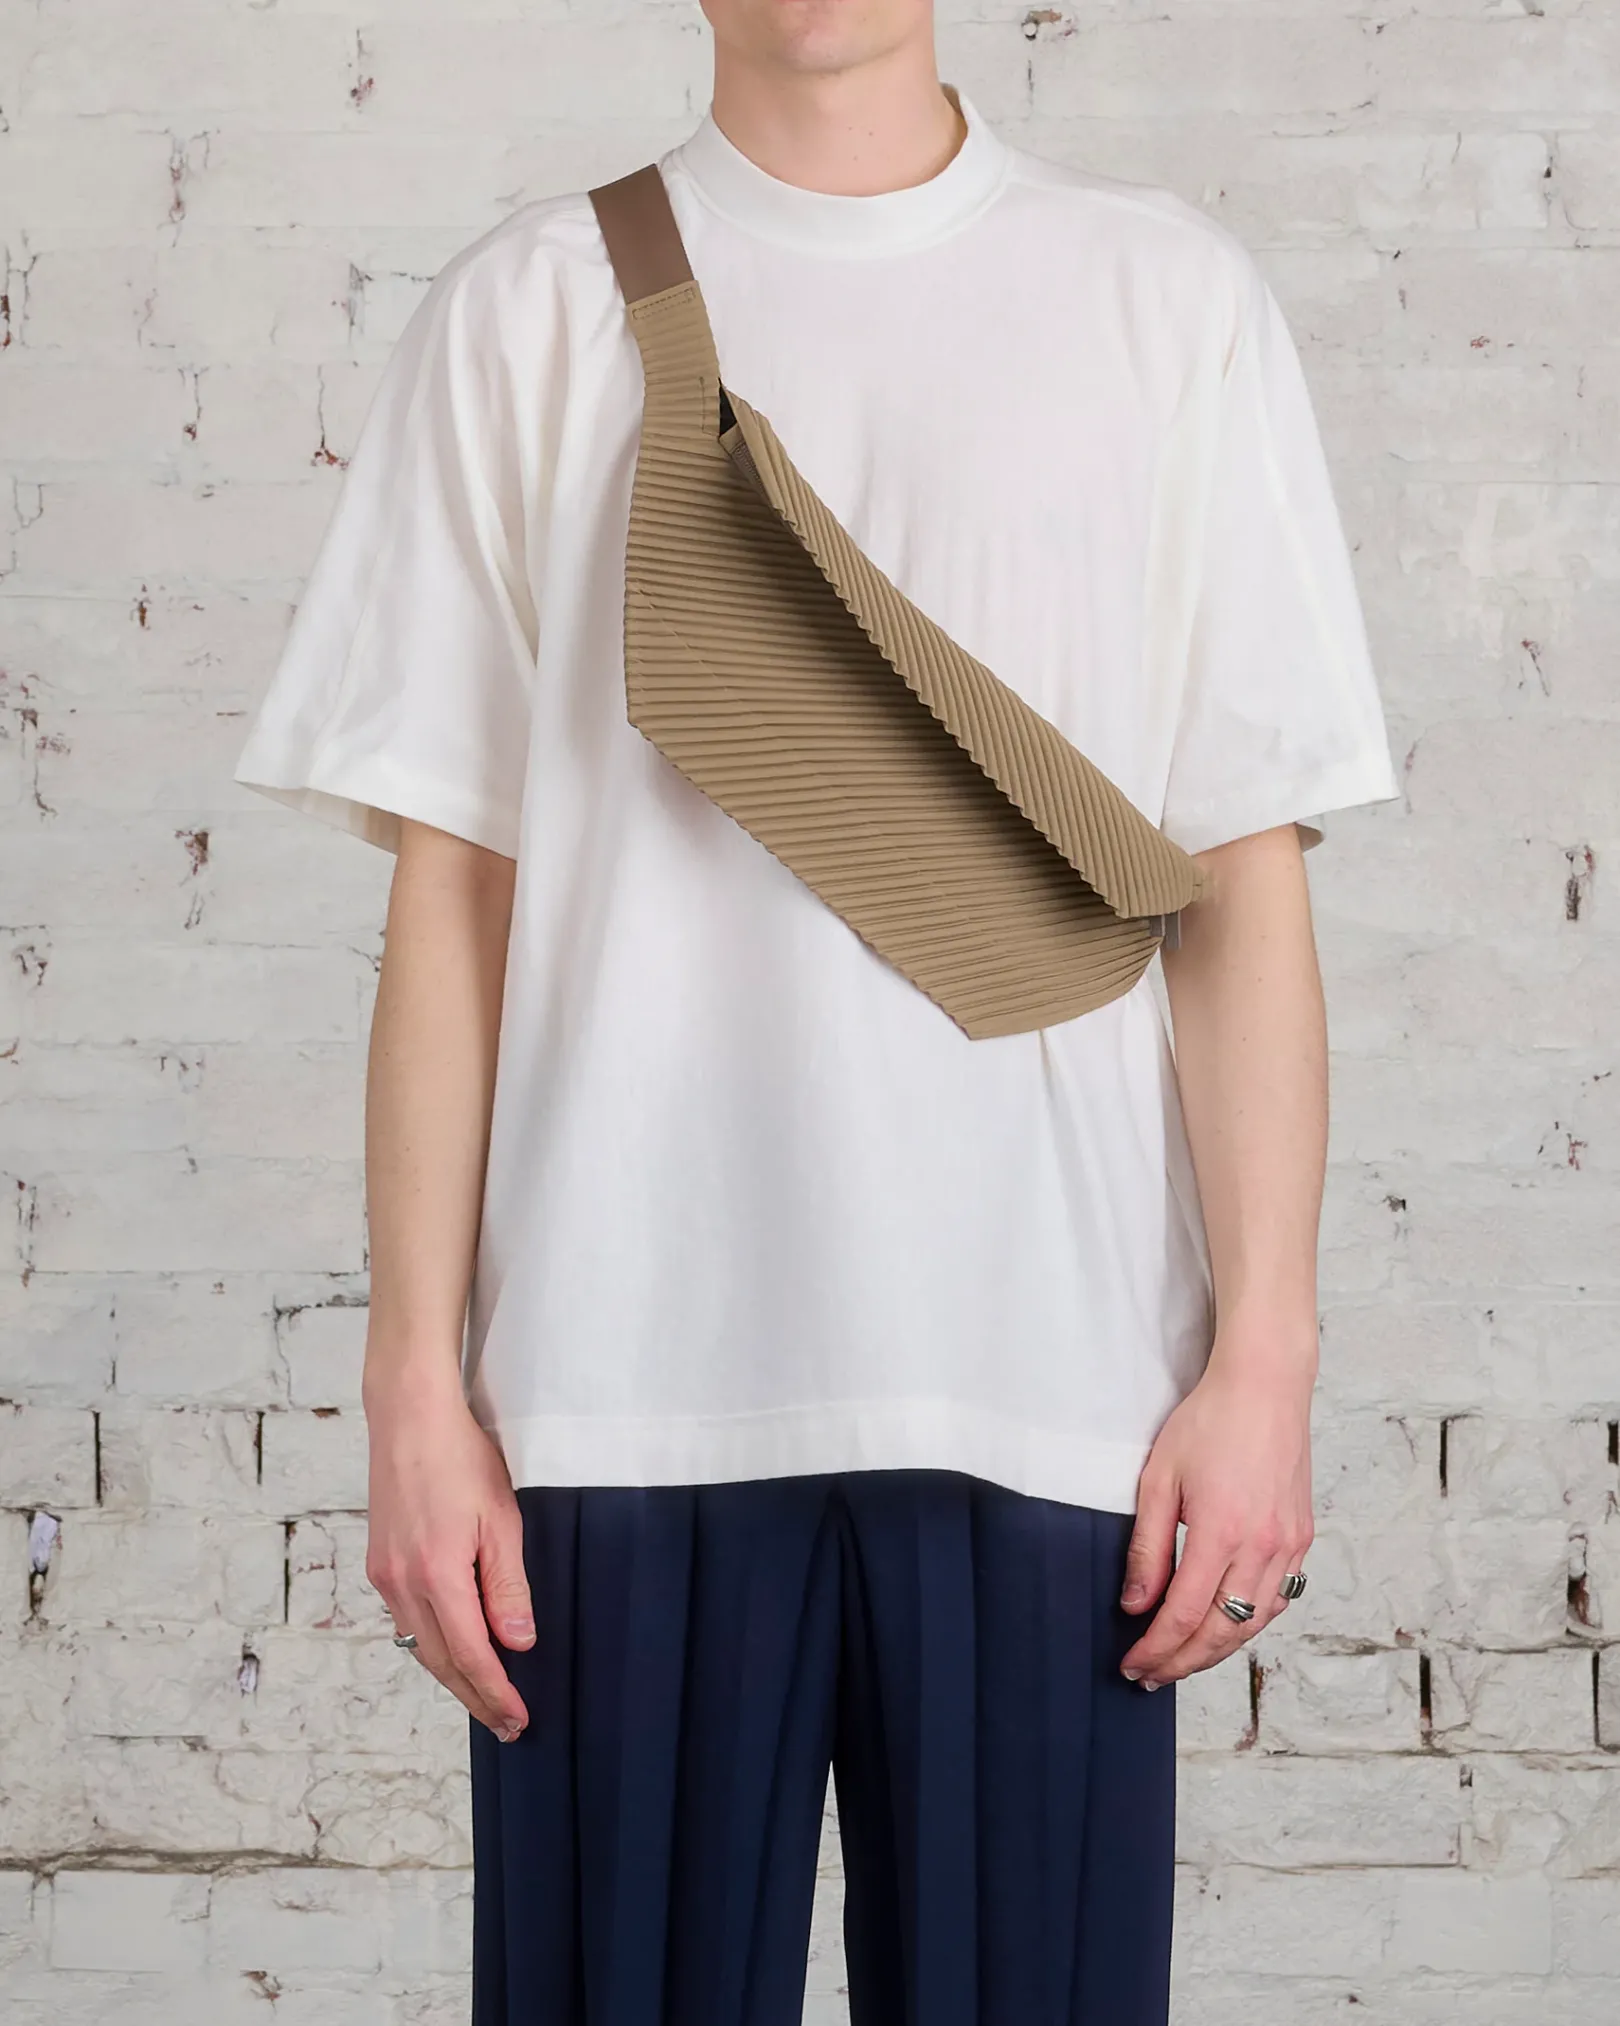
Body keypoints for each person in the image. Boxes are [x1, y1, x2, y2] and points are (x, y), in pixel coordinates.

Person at [232, 3, 1398, 2020]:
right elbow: (453, 898)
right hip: (614, 1392)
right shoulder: (530, 309)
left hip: (1059, 1392)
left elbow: (1240, 883)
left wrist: (1267, 1360)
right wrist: (414, 1382)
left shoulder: (1166, 300)